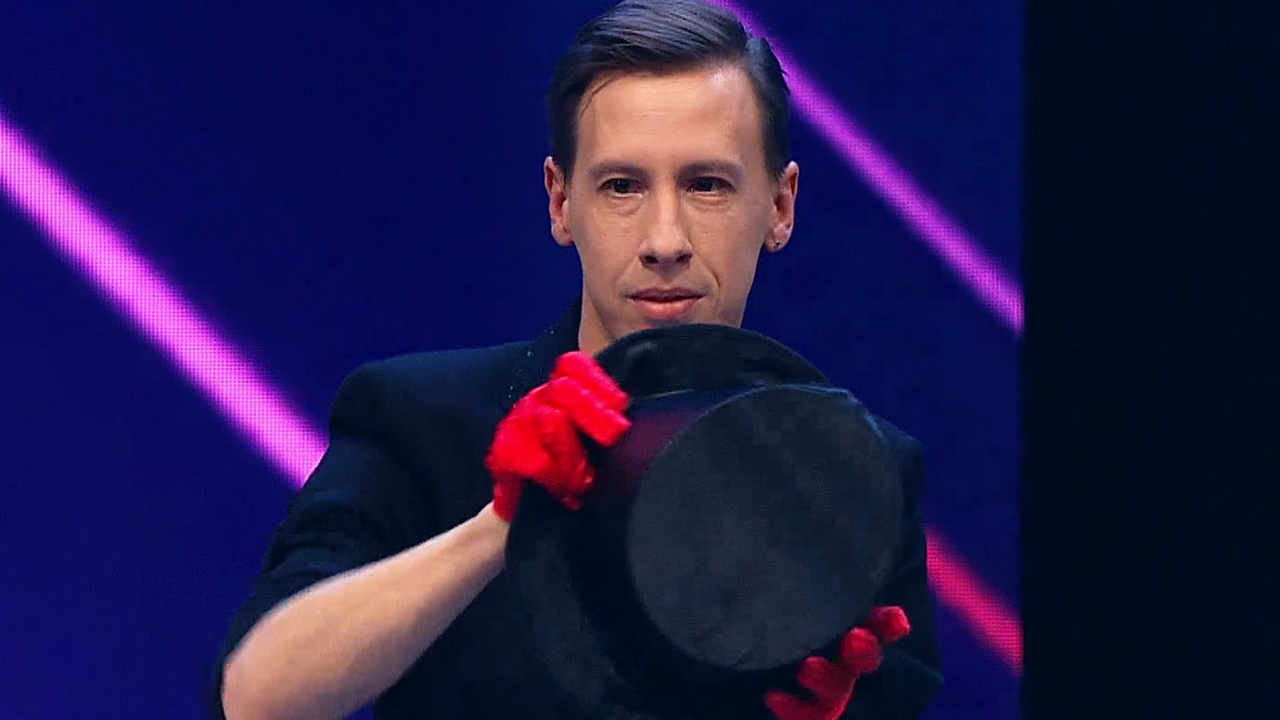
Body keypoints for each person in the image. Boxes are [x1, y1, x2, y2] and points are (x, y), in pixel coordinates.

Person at [210, 2, 943, 719]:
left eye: (707, 185)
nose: (665, 240)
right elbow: (256, 699)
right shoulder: (419, 421)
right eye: (622, 186)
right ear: (561, 202)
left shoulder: (854, 475)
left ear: (780, 206)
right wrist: (500, 525)